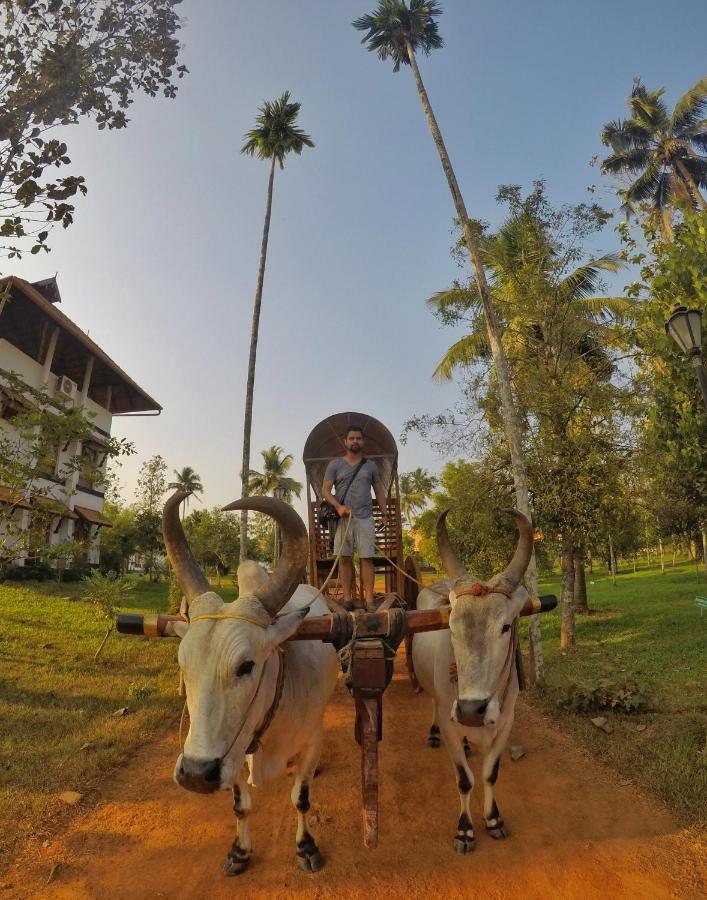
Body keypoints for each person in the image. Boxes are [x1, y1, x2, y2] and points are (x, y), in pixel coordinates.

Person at [322, 425, 388, 611]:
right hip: (343, 519)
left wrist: (384, 514)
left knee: (367, 558)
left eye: (358, 438)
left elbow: (379, 490)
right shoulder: (335, 464)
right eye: (351, 438)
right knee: (344, 558)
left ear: (362, 441)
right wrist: (338, 507)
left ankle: (369, 600)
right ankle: (348, 598)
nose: (355, 441)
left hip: (365, 518)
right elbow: (325, 490)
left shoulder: (370, 466)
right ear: (345, 442)